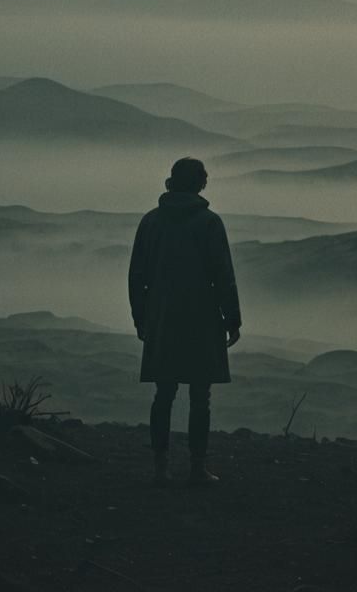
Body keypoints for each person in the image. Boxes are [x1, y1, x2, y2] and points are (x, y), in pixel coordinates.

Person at [128, 157, 242, 486]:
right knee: (200, 396)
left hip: (161, 315)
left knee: (163, 393)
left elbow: (137, 276)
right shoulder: (209, 223)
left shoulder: (150, 222)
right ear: (200, 184)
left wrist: (141, 317)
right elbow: (223, 276)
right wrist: (232, 318)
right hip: (202, 316)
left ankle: (161, 467)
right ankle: (197, 467)